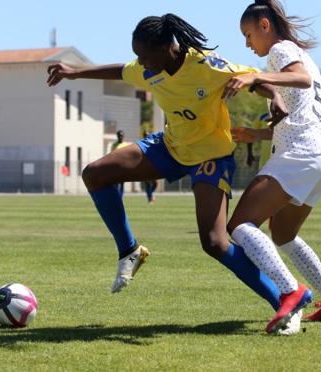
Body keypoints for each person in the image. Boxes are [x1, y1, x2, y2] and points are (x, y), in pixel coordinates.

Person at [47, 14, 292, 326]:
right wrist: (74, 73)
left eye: (145, 57)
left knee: (215, 243)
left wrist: (275, 97)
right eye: (138, 57)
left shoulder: (206, 65)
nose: (140, 63)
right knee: (94, 174)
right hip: (170, 146)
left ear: (166, 48)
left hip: (211, 156)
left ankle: (284, 300)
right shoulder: (150, 68)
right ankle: (129, 251)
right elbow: (121, 71)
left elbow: (255, 79)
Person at [224, 0, 321, 334]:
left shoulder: (280, 50)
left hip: (302, 155)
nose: (248, 43)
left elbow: (301, 80)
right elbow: (300, 114)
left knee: (238, 224)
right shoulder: (299, 54)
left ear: (265, 25)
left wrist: (254, 75)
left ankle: (289, 290)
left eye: (248, 34)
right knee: (283, 234)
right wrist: (258, 133)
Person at [110, 130, 131, 197]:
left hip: (123, 166)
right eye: (119, 135)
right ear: (117, 136)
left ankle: (121, 197)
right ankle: (116, 197)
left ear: (123, 136)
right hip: (115, 166)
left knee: (122, 182)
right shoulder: (114, 145)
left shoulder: (126, 145)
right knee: (115, 183)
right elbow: (111, 155)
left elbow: (128, 156)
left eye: (121, 135)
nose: (120, 137)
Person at [141, 129, 159, 204]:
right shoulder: (141, 142)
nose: (146, 136)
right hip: (144, 165)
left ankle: (150, 195)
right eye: (145, 135)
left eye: (148, 135)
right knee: (147, 183)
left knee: (155, 183)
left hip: (153, 164)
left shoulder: (153, 141)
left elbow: (159, 144)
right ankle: (150, 199)